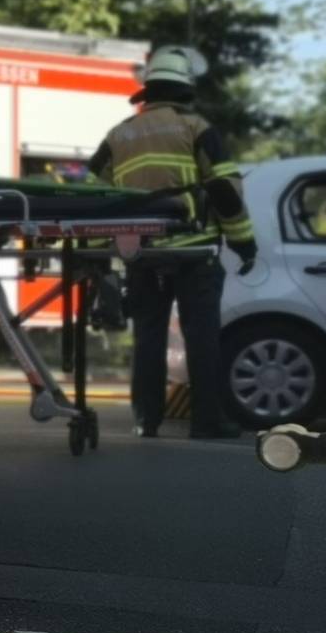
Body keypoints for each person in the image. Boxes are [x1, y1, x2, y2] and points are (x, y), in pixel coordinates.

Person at [89, 46, 257, 439]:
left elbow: (96, 195)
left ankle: (146, 421)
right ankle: (207, 422)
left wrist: (100, 251)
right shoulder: (197, 128)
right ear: (183, 92)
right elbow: (225, 190)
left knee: (148, 337)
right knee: (202, 339)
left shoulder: (119, 135)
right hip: (194, 251)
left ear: (147, 94)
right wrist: (244, 244)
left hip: (143, 253)